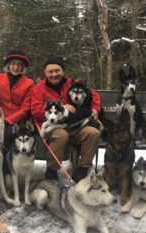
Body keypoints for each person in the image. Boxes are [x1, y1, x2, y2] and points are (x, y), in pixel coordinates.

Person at [31, 54, 101, 182]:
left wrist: (95, 108)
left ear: (63, 71)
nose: (54, 74)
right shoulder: (38, 88)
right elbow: (36, 111)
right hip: (52, 127)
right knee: (61, 134)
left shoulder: (71, 83)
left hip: (73, 126)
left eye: (57, 70)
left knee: (93, 133)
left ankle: (82, 170)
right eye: (50, 71)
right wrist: (62, 110)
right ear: (45, 72)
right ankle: (51, 172)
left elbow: (92, 94)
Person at [0, 50, 33, 156]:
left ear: (23, 67)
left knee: (10, 134)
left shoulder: (28, 83)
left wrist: (9, 120)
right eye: (13, 64)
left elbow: (25, 108)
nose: (16, 67)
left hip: (18, 119)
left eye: (19, 65)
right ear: (8, 65)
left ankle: (8, 162)